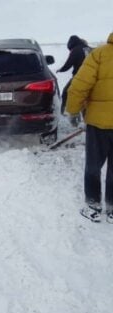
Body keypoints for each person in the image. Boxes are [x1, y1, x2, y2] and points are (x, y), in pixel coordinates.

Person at [66, 32, 113, 223]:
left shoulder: (99, 54)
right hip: (99, 122)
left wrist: (73, 110)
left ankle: (93, 206)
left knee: (94, 164)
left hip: (98, 123)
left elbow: (79, 85)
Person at [57, 35, 92, 124]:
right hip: (92, 77)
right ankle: (87, 116)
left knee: (66, 92)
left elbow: (69, 63)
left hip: (79, 77)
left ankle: (65, 113)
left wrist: (61, 69)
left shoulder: (76, 50)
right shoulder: (90, 49)